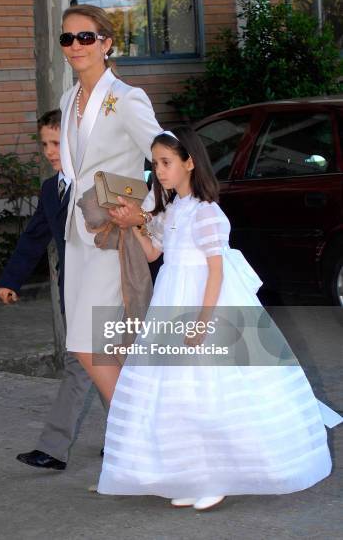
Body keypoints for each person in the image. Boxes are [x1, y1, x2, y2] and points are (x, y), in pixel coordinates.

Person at [97, 129, 343, 510]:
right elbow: (152, 254)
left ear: (189, 162)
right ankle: (193, 473)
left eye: (166, 163)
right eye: (155, 164)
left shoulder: (207, 212)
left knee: (212, 389)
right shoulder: (172, 211)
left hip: (204, 303)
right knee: (179, 392)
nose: (158, 171)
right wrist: (134, 226)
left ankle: (218, 476)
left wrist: (203, 319)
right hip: (171, 299)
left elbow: (216, 271)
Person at [59, 4, 163, 403]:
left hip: (112, 238)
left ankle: (133, 429)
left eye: (85, 37)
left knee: (87, 344)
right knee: (111, 346)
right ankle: (134, 438)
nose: (75, 46)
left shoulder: (127, 98)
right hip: (77, 237)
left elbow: (165, 159)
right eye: (67, 38)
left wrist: (145, 211)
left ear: (107, 43)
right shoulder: (69, 99)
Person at [0, 110, 104, 470]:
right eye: (44, 144)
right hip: (71, 289)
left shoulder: (100, 182)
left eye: (57, 142)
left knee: (83, 364)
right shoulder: (50, 189)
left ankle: (54, 448)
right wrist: (11, 279)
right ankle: (127, 435)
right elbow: (33, 238)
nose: (50, 151)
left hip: (106, 290)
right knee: (101, 364)